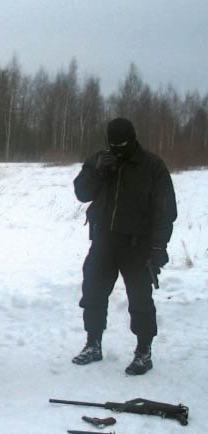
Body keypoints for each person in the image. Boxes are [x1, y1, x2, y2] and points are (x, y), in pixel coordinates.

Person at [71, 117, 177, 375]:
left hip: (137, 245)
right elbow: (82, 193)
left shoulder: (152, 166)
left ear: (133, 139)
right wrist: (98, 171)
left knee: (140, 299)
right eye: (113, 144)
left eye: (122, 143)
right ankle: (93, 344)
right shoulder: (100, 160)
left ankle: (144, 351)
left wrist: (158, 248)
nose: (117, 148)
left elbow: (165, 210)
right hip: (103, 241)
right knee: (93, 293)